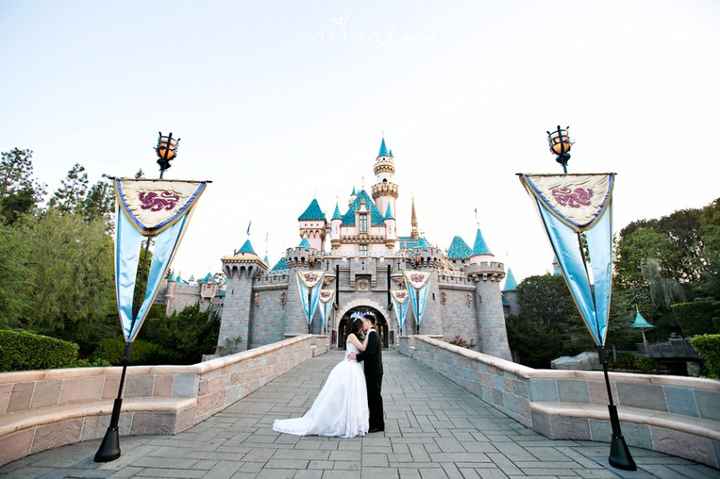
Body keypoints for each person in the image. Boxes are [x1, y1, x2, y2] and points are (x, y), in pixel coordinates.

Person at [272, 317, 369, 438]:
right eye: (361, 327)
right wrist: (369, 334)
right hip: (350, 368)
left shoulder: (353, 336)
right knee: (345, 394)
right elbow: (363, 348)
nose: (362, 329)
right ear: (358, 327)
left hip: (353, 366)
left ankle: (349, 420)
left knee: (349, 395)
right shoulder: (352, 336)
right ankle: (342, 421)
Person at [347, 313, 384, 432]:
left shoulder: (372, 334)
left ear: (369, 322)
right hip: (372, 371)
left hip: (374, 371)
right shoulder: (370, 334)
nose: (362, 325)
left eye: (364, 322)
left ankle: (377, 425)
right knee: (373, 397)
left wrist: (356, 357)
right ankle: (375, 422)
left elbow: (370, 352)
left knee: (375, 398)